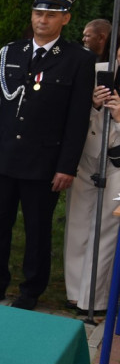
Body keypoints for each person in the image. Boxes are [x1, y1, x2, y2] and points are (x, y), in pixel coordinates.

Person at [0, 0, 94, 311]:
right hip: (2, 158)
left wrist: (66, 166)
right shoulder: (9, 53)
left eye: (51, 14)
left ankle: (30, 292)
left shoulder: (78, 60)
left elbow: (77, 119)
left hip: (44, 162)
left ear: (65, 18)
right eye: (39, 13)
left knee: (37, 232)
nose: (42, 19)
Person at [64, 45, 120, 313]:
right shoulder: (98, 71)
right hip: (87, 157)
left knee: (106, 229)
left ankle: (93, 300)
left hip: (117, 162)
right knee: (77, 225)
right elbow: (71, 112)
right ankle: (74, 293)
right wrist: (94, 103)